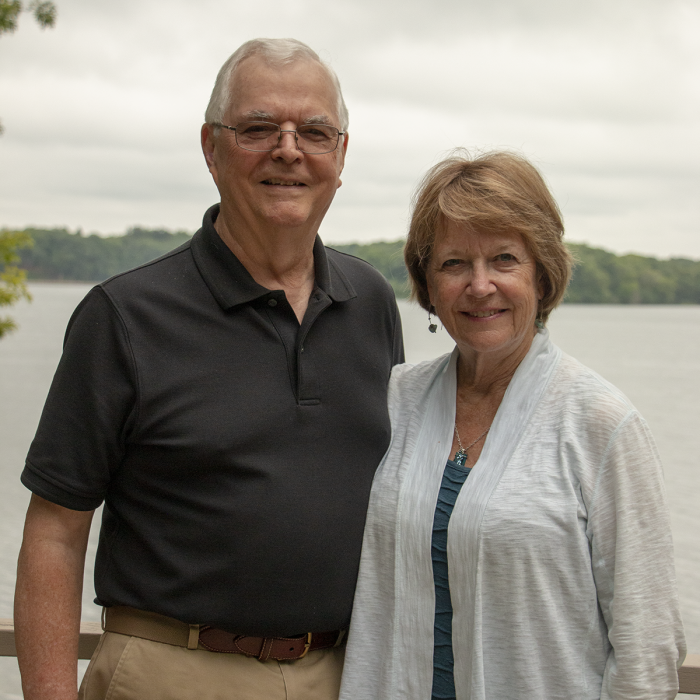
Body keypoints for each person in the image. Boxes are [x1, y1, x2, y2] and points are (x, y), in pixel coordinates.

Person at [14, 38, 403, 700]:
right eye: (258, 128)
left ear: (341, 156)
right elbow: (54, 531)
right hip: (170, 671)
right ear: (210, 147)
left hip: (345, 675)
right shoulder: (124, 317)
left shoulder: (371, 304)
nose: (288, 149)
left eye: (314, 131)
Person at [338, 151, 686, 700]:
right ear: (427, 285)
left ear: (542, 276)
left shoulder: (600, 424)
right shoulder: (394, 400)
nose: (480, 286)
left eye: (504, 259)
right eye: (454, 264)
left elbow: (647, 645)